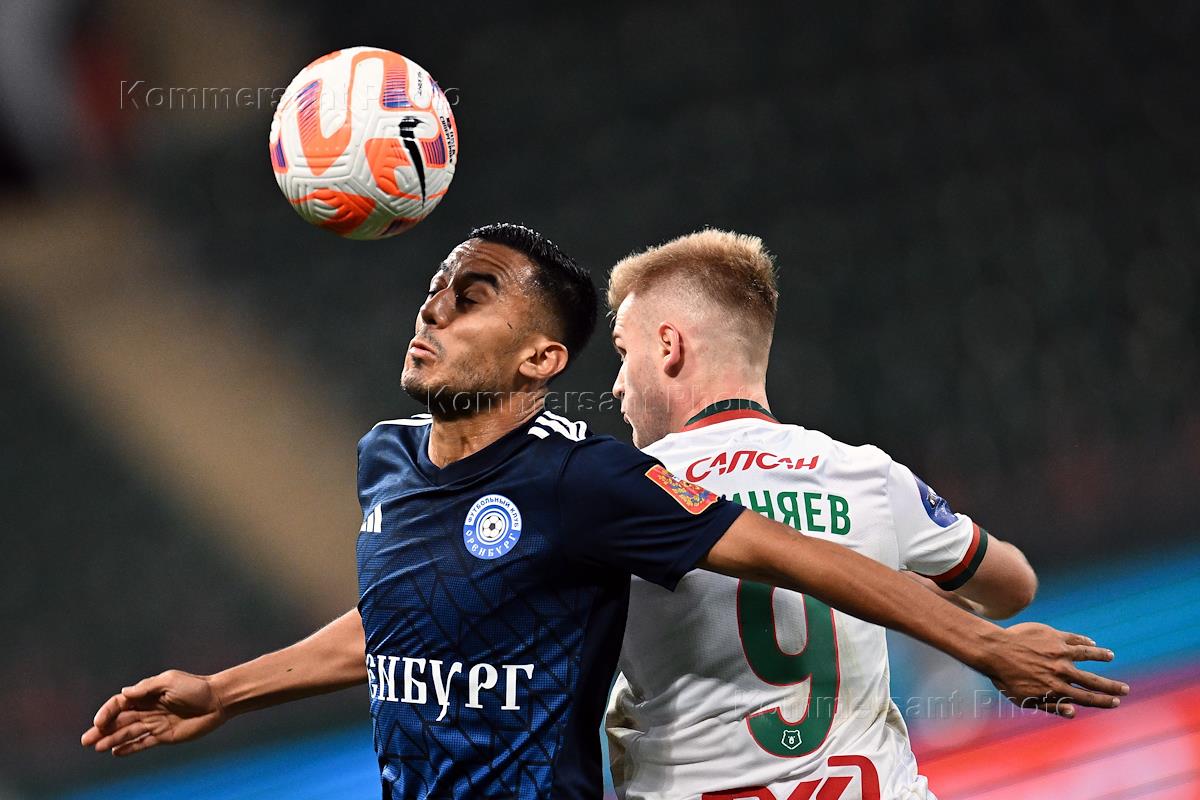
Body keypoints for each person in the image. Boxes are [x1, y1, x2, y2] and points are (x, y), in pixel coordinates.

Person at [81, 224, 1127, 800]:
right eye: (436, 288)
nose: (434, 306)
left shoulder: (587, 482)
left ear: (543, 358)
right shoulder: (385, 462)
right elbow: (407, 619)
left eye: (472, 295)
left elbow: (790, 553)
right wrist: (223, 689)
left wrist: (983, 649)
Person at [602, 229, 1063, 800]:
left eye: (623, 353)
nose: (617, 385)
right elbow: (1012, 586)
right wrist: (896, 575)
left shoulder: (620, 493)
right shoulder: (864, 472)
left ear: (669, 346)